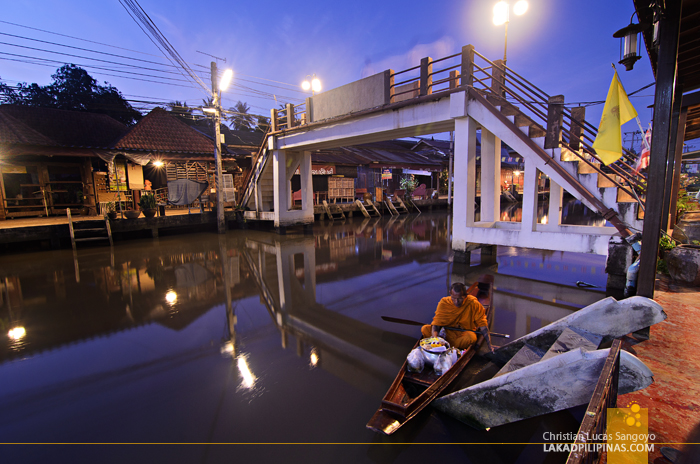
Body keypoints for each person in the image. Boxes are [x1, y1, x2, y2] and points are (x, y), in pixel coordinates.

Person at [421, 282, 492, 351]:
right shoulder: (444, 302)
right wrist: (435, 339)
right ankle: (445, 346)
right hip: (446, 332)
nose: (456, 302)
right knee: (425, 329)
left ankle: (447, 347)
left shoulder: (474, 304)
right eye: (454, 298)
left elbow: (483, 326)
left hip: (462, 334)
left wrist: (489, 344)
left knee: (471, 338)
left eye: (460, 298)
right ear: (450, 293)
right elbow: (436, 323)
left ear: (465, 296)